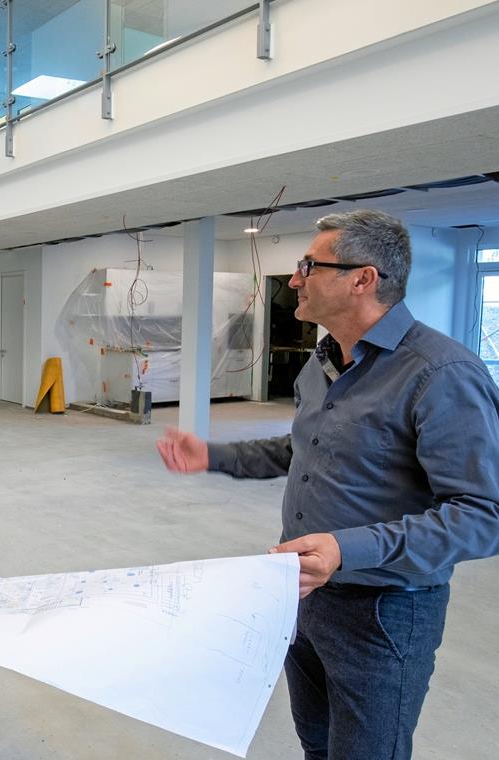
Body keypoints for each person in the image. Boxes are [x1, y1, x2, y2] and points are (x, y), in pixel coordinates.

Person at [156, 209, 499, 759]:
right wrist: (212, 455)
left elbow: (482, 515)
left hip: (386, 613)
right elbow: (303, 449)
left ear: (363, 279)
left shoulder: (440, 374)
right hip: (303, 596)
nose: (293, 280)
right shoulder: (321, 365)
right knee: (317, 744)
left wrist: (347, 548)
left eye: (308, 266)